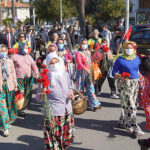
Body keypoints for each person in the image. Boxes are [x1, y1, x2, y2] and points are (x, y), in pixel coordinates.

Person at [42, 52, 75, 150]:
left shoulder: (65, 74)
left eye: (56, 61)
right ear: (48, 64)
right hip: (54, 111)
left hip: (66, 109)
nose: (54, 64)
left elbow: (69, 86)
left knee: (66, 134)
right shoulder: (45, 76)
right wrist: (43, 91)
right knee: (54, 135)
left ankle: (63, 147)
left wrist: (71, 93)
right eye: (51, 63)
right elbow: (39, 98)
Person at [112, 41, 144, 137]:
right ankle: (133, 127)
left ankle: (122, 121)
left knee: (128, 104)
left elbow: (141, 70)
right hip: (124, 84)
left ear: (134, 49)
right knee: (132, 106)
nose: (129, 50)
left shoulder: (137, 58)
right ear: (124, 49)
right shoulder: (120, 59)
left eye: (131, 48)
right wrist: (121, 77)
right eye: (127, 48)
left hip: (135, 83)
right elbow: (113, 73)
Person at [12, 41, 39, 117]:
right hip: (19, 77)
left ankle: (25, 105)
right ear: (20, 48)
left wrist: (36, 72)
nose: (26, 49)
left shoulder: (29, 56)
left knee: (28, 92)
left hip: (29, 77)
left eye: (27, 48)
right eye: (25, 48)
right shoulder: (15, 56)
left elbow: (33, 65)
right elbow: (12, 67)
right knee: (21, 92)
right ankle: (21, 108)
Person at [75, 39, 101, 111]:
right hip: (81, 73)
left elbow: (91, 60)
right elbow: (79, 63)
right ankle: (78, 105)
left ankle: (94, 104)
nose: (84, 45)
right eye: (83, 43)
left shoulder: (88, 52)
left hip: (89, 73)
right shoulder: (78, 53)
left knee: (90, 88)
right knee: (80, 89)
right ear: (80, 44)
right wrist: (85, 69)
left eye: (85, 43)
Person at [0, 44, 18, 136]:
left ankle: (7, 120)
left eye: (4, 51)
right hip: (1, 88)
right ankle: (5, 127)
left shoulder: (10, 61)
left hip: (9, 85)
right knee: (2, 107)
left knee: (9, 104)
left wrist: (15, 85)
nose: (3, 53)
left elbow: (13, 73)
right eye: (1, 51)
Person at [138, 56, 150, 130]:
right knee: (148, 111)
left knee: (148, 111)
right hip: (146, 94)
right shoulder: (144, 72)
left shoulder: (143, 72)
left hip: (146, 94)